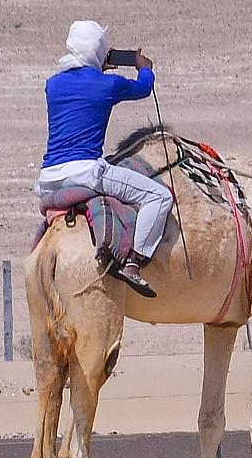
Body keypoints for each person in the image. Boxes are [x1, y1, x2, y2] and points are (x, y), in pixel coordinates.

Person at [36, 20, 170, 297]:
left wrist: (97, 67)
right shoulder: (108, 84)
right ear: (99, 51)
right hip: (86, 172)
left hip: (49, 178)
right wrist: (144, 67)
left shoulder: (53, 85)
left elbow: (80, 94)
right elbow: (143, 87)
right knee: (159, 196)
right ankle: (134, 261)